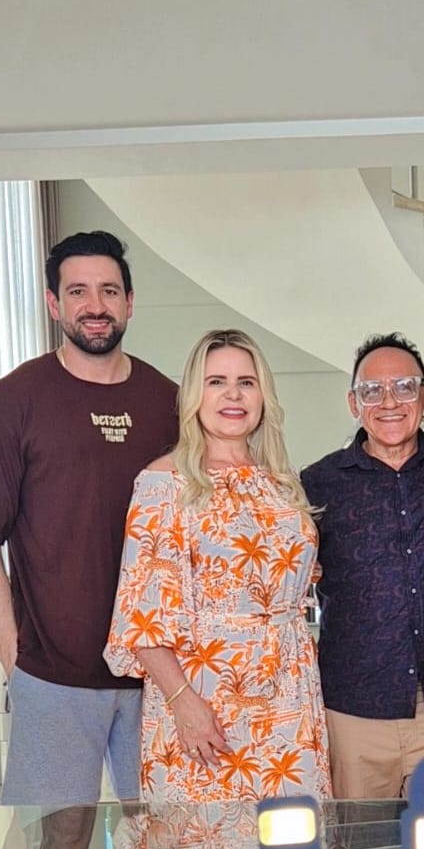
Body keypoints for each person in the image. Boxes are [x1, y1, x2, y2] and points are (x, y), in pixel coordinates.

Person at [0, 229, 178, 849]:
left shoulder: (169, 402)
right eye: (77, 291)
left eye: (108, 290)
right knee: (63, 833)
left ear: (130, 301)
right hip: (54, 674)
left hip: (160, 676)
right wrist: (15, 656)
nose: (94, 305)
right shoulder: (14, 401)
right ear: (53, 303)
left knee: (166, 836)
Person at [105, 328, 330, 803]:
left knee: (291, 842)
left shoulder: (281, 484)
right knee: (205, 840)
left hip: (290, 700)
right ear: (194, 395)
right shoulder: (163, 484)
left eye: (246, 382)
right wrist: (183, 704)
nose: (233, 394)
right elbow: (143, 620)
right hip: (203, 701)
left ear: (263, 395)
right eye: (216, 382)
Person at [301, 332, 424, 800]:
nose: (389, 402)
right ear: (354, 404)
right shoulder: (317, 484)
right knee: (359, 844)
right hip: (355, 715)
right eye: (372, 391)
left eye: (404, 387)